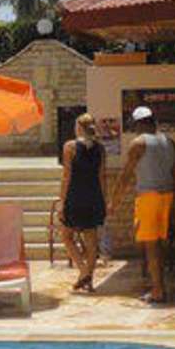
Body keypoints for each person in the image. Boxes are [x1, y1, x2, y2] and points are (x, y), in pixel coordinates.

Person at [109, 105, 175, 305]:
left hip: (148, 197)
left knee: (150, 245)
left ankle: (157, 290)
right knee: (160, 244)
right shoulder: (170, 142)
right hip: (166, 196)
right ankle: (159, 286)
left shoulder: (138, 143)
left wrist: (114, 202)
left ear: (138, 124)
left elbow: (125, 176)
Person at [59, 114, 107, 292]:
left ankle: (84, 271)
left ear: (78, 127)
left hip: (75, 196)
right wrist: (104, 200)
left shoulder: (70, 147)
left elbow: (67, 176)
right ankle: (88, 279)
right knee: (91, 239)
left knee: (66, 236)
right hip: (94, 196)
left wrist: (62, 201)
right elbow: (102, 176)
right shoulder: (100, 149)